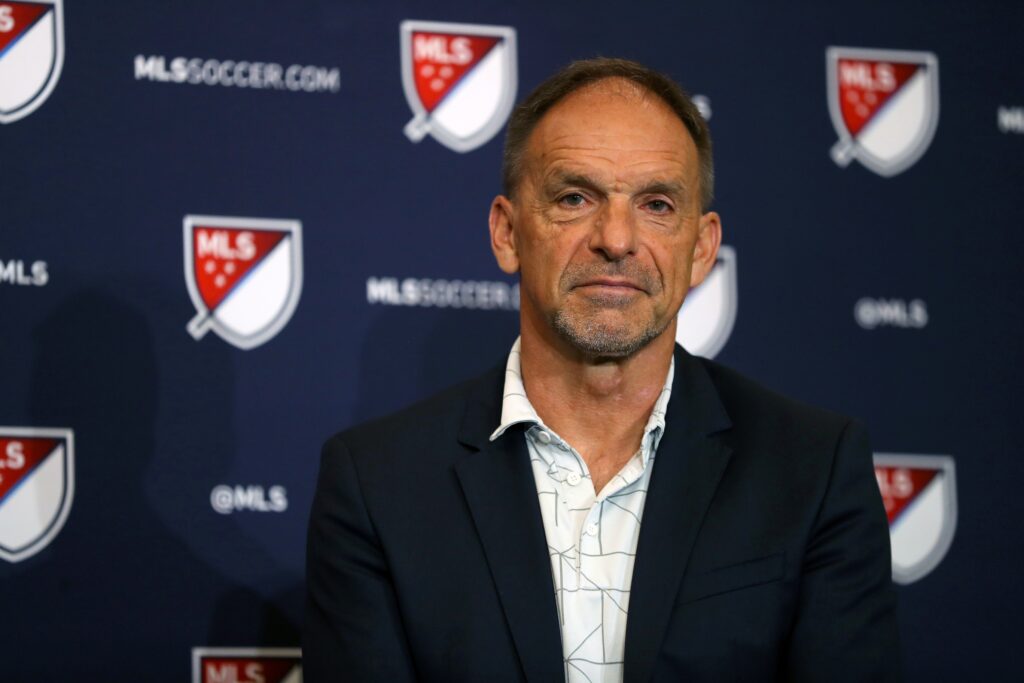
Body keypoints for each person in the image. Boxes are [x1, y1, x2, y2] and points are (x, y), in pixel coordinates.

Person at [304, 58, 900, 682]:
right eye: (574, 198)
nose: (616, 238)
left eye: (657, 204)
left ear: (701, 249)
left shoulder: (811, 468)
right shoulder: (378, 483)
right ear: (507, 234)